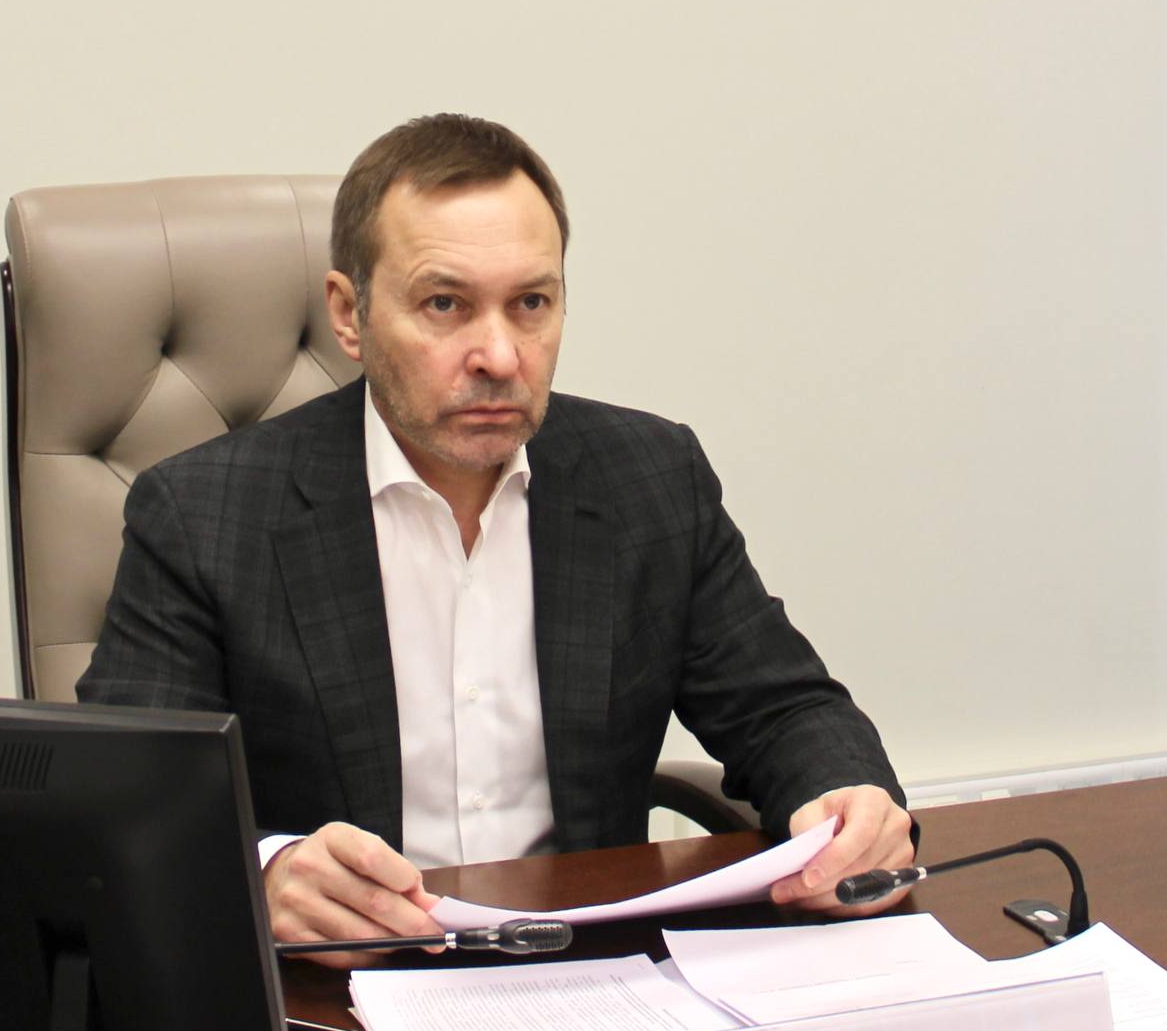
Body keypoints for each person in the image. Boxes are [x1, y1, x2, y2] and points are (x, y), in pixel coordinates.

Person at [76, 115, 913, 957]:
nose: (500, 356)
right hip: (346, 985)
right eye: (445, 304)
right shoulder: (204, 514)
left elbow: (783, 709)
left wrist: (847, 799)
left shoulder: (649, 479)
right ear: (349, 315)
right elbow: (128, 803)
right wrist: (265, 874)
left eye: (531, 304)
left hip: (591, 971)